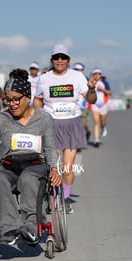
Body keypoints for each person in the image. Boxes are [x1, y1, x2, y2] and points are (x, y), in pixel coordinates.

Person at [0, 68, 61, 244]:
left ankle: (30, 227)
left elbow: (50, 148)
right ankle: (9, 228)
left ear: (27, 97)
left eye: (16, 99)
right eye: (8, 100)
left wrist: (54, 170)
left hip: (35, 165)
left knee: (28, 178)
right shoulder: (1, 120)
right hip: (7, 165)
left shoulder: (43, 119)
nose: (12, 104)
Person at [34, 44, 97, 214]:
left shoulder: (77, 77)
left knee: (67, 167)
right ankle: (53, 195)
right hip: (50, 124)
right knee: (54, 165)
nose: (59, 61)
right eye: (56, 58)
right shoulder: (44, 78)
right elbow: (38, 100)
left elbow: (91, 100)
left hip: (71, 123)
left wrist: (91, 88)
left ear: (68, 60)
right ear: (52, 60)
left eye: (63, 58)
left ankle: (65, 198)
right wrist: (37, 115)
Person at [90, 68, 112, 147]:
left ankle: (103, 127)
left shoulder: (104, 82)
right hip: (94, 104)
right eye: (95, 73)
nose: (97, 75)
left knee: (103, 120)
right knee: (96, 122)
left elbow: (110, 92)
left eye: (99, 73)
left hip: (103, 104)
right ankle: (96, 139)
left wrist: (103, 89)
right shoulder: (91, 82)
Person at [73, 62, 92, 144]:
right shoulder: (71, 79)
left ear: (83, 70)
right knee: (75, 125)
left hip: (83, 106)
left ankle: (87, 132)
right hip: (74, 106)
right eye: (76, 69)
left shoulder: (87, 80)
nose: (77, 71)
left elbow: (90, 94)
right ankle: (77, 143)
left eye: (79, 69)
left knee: (83, 124)